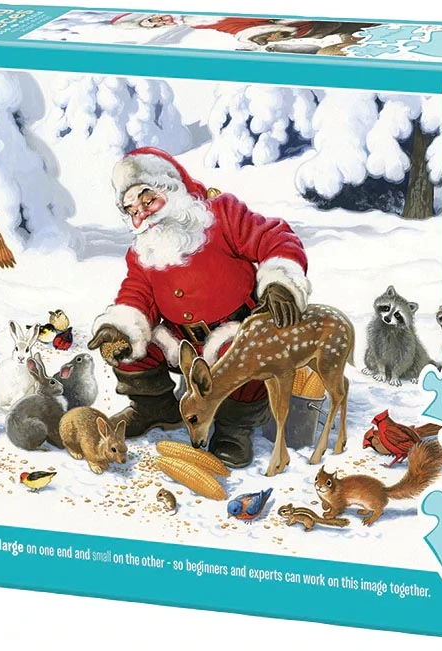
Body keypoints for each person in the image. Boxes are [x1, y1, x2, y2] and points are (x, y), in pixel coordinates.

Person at [88, 147, 310, 468]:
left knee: (244, 356)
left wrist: (280, 282)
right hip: (182, 342)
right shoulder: (143, 251)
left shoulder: (222, 214)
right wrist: (120, 326)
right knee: (127, 344)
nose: (142, 215)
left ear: (170, 187)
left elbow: (273, 237)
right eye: (132, 210)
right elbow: (137, 294)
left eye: (148, 201)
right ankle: (155, 407)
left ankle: (235, 427)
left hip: (236, 329)